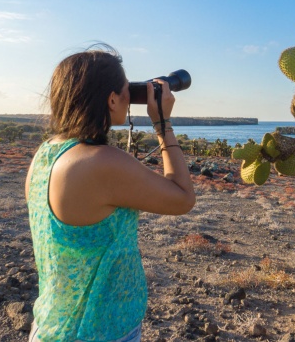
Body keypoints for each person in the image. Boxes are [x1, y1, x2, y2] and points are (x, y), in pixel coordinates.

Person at [24, 46, 195, 342]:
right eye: (127, 92)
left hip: (49, 325)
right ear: (112, 99)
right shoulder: (100, 163)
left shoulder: (45, 154)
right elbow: (183, 198)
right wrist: (163, 124)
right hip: (100, 332)